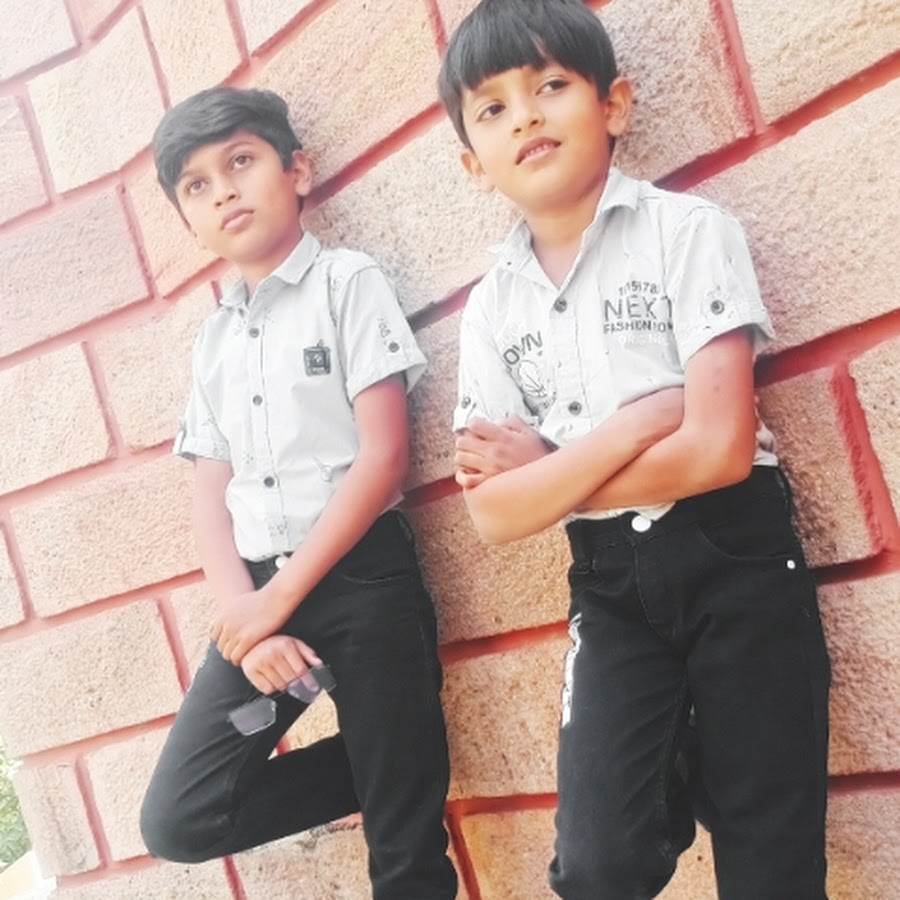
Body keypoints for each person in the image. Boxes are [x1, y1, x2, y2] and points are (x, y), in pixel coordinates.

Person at [438, 1, 830, 897]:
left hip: (734, 554)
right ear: (472, 162)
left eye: (550, 85)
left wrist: (549, 469)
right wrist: (637, 422)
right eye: (492, 108)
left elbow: (719, 450)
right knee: (597, 865)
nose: (525, 116)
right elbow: (494, 514)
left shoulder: (686, 233)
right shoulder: (493, 307)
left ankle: (717, 753)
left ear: (612, 105)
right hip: (611, 585)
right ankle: (683, 753)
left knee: (769, 858)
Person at [139, 86, 457, 900]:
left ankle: (398, 762)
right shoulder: (214, 341)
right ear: (189, 221)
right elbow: (209, 496)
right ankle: (395, 756)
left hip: (362, 583)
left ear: (298, 171)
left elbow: (384, 457)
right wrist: (249, 625)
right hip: (261, 601)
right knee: (182, 817)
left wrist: (276, 602)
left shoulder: (346, 283)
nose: (225, 191)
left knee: (405, 854)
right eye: (198, 186)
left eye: (241, 162)